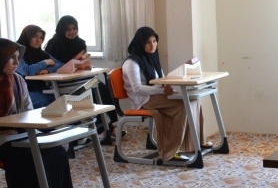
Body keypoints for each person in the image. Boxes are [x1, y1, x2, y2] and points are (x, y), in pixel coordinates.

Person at [0, 38, 78, 188]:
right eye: (11, 58)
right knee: (28, 158)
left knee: (56, 152)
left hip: (21, 134)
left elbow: (27, 111)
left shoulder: (18, 80)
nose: (17, 62)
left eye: (18, 57)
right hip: (3, 140)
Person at [122, 27, 209, 161]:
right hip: (143, 100)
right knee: (182, 105)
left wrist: (166, 86)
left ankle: (196, 143)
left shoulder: (152, 58)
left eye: (154, 41)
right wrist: (162, 90)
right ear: (140, 43)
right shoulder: (131, 62)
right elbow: (137, 89)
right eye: (148, 42)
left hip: (156, 96)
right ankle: (172, 150)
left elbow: (161, 80)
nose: (152, 45)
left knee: (194, 101)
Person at [44, 15, 118, 131]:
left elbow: (83, 62)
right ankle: (101, 127)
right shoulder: (53, 44)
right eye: (68, 29)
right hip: (64, 83)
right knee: (93, 92)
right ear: (61, 30)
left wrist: (85, 64)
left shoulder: (80, 43)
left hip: (81, 80)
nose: (72, 32)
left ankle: (108, 124)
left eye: (74, 28)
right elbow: (50, 66)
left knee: (104, 89)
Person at [15, 25, 64, 108]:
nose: (38, 40)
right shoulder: (17, 53)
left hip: (38, 88)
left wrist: (48, 70)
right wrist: (45, 62)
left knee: (60, 97)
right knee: (48, 101)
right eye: (34, 36)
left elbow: (60, 64)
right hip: (22, 91)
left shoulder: (41, 53)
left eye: (41, 38)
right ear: (27, 36)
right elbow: (26, 70)